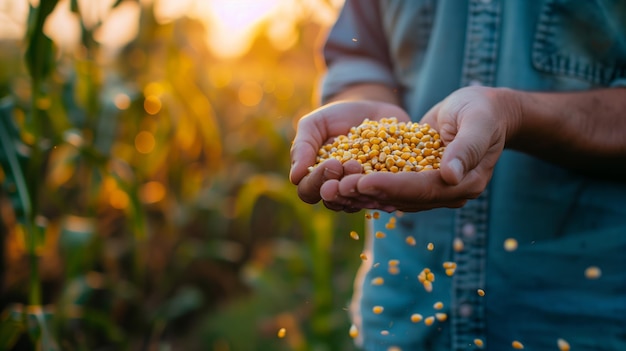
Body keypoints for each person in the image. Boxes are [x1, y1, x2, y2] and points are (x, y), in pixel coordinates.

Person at [289, 1, 626, 350]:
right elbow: (361, 56)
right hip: (403, 307)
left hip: (578, 309)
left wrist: (516, 114)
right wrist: (363, 112)